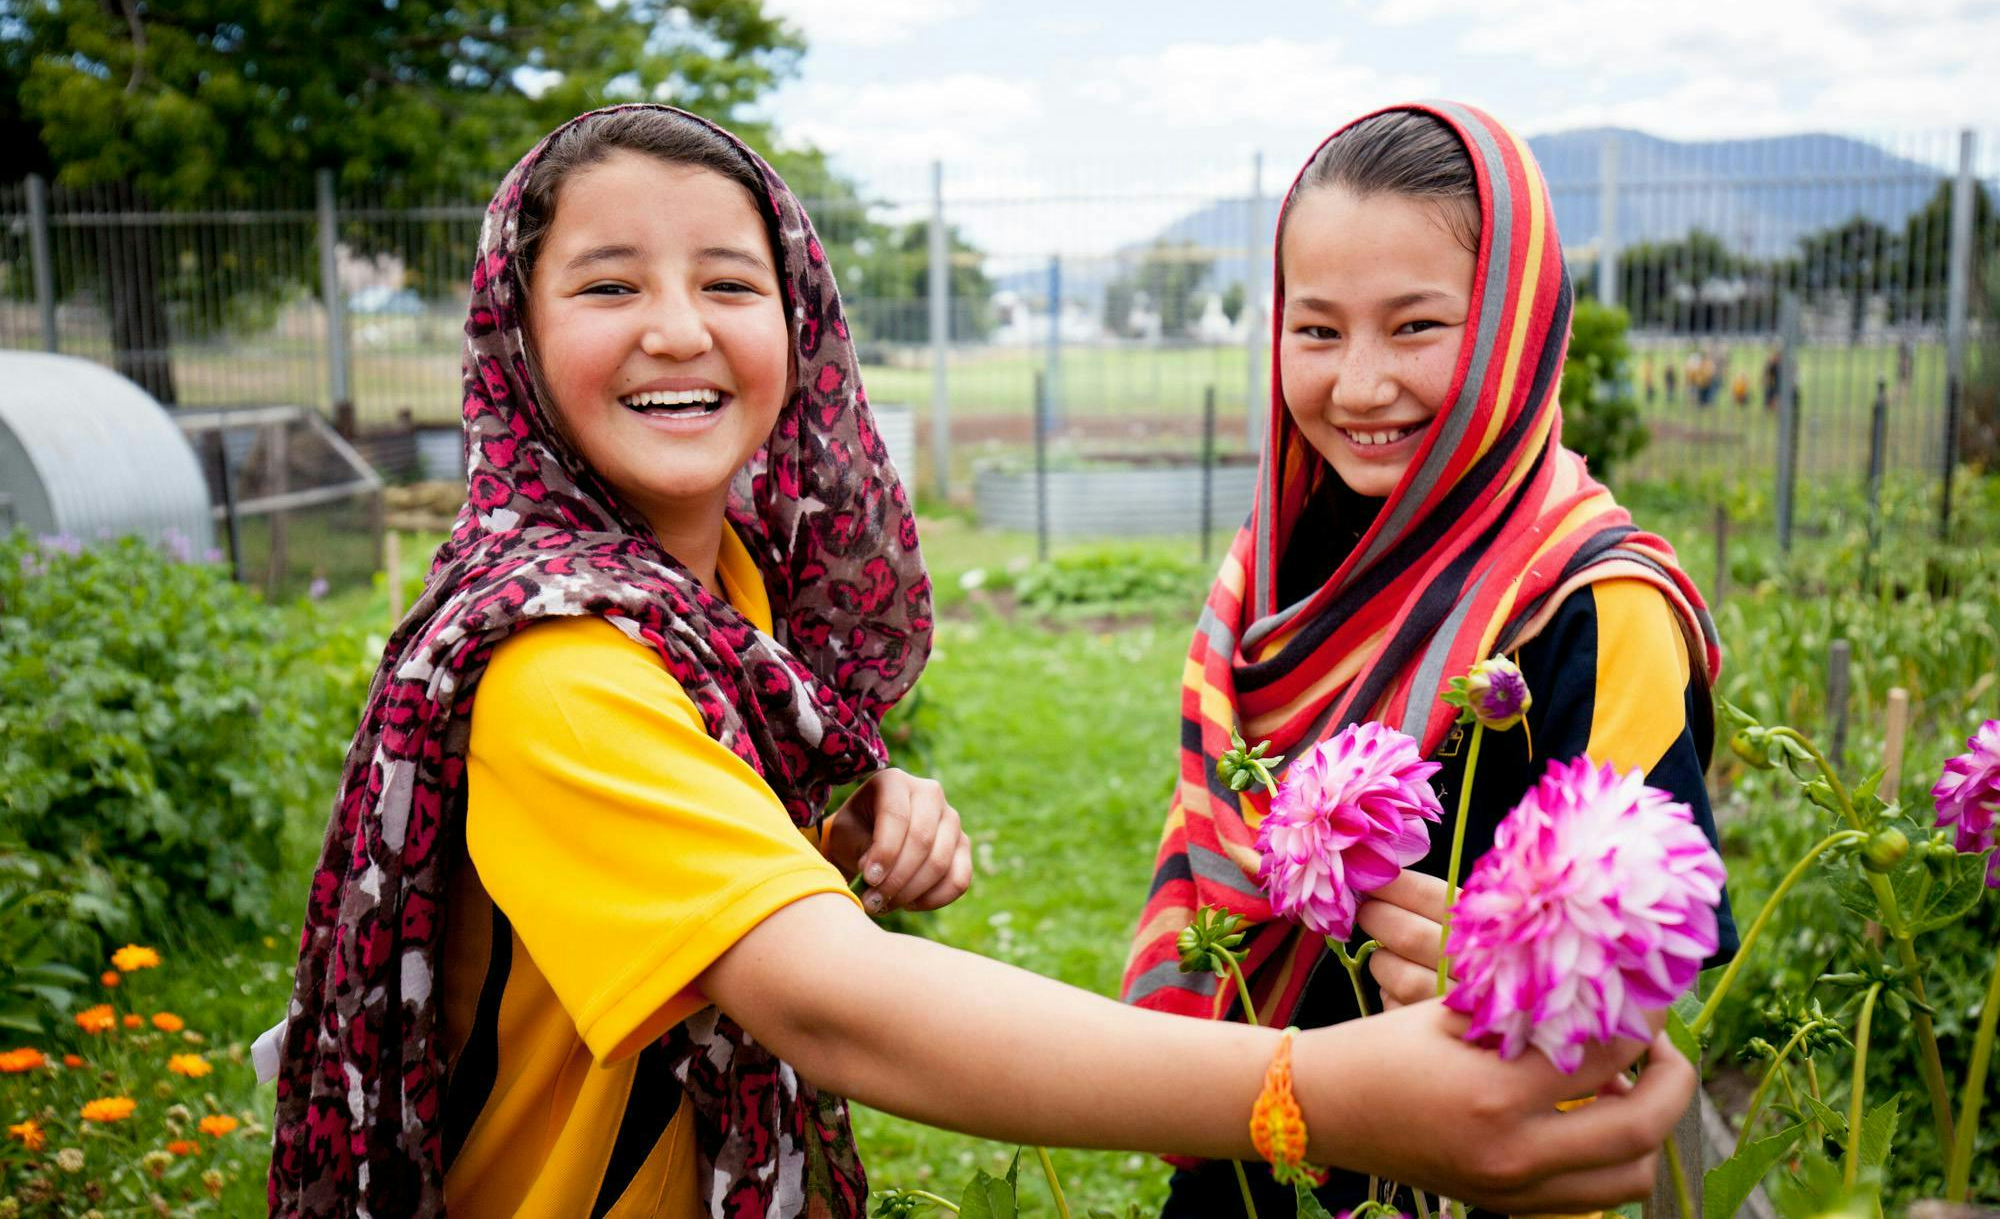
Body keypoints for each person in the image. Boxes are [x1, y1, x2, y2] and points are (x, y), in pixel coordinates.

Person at [266, 104, 1697, 1219]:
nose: (679, 328)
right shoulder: (560, 663)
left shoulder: (708, 605)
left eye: (728, 279)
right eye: (606, 285)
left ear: (801, 323)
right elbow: (831, 999)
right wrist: (1305, 1088)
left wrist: (832, 814)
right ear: (511, 337)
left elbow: (666, 834)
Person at [1123, 103, 1737, 1218]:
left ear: (1516, 325)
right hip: (1246, 1142)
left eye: (1414, 327)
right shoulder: (1279, 558)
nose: (1357, 385)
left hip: (1459, 1170)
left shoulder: (1596, 607)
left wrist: (1513, 974)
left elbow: (1660, 959)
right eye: (1315, 331)